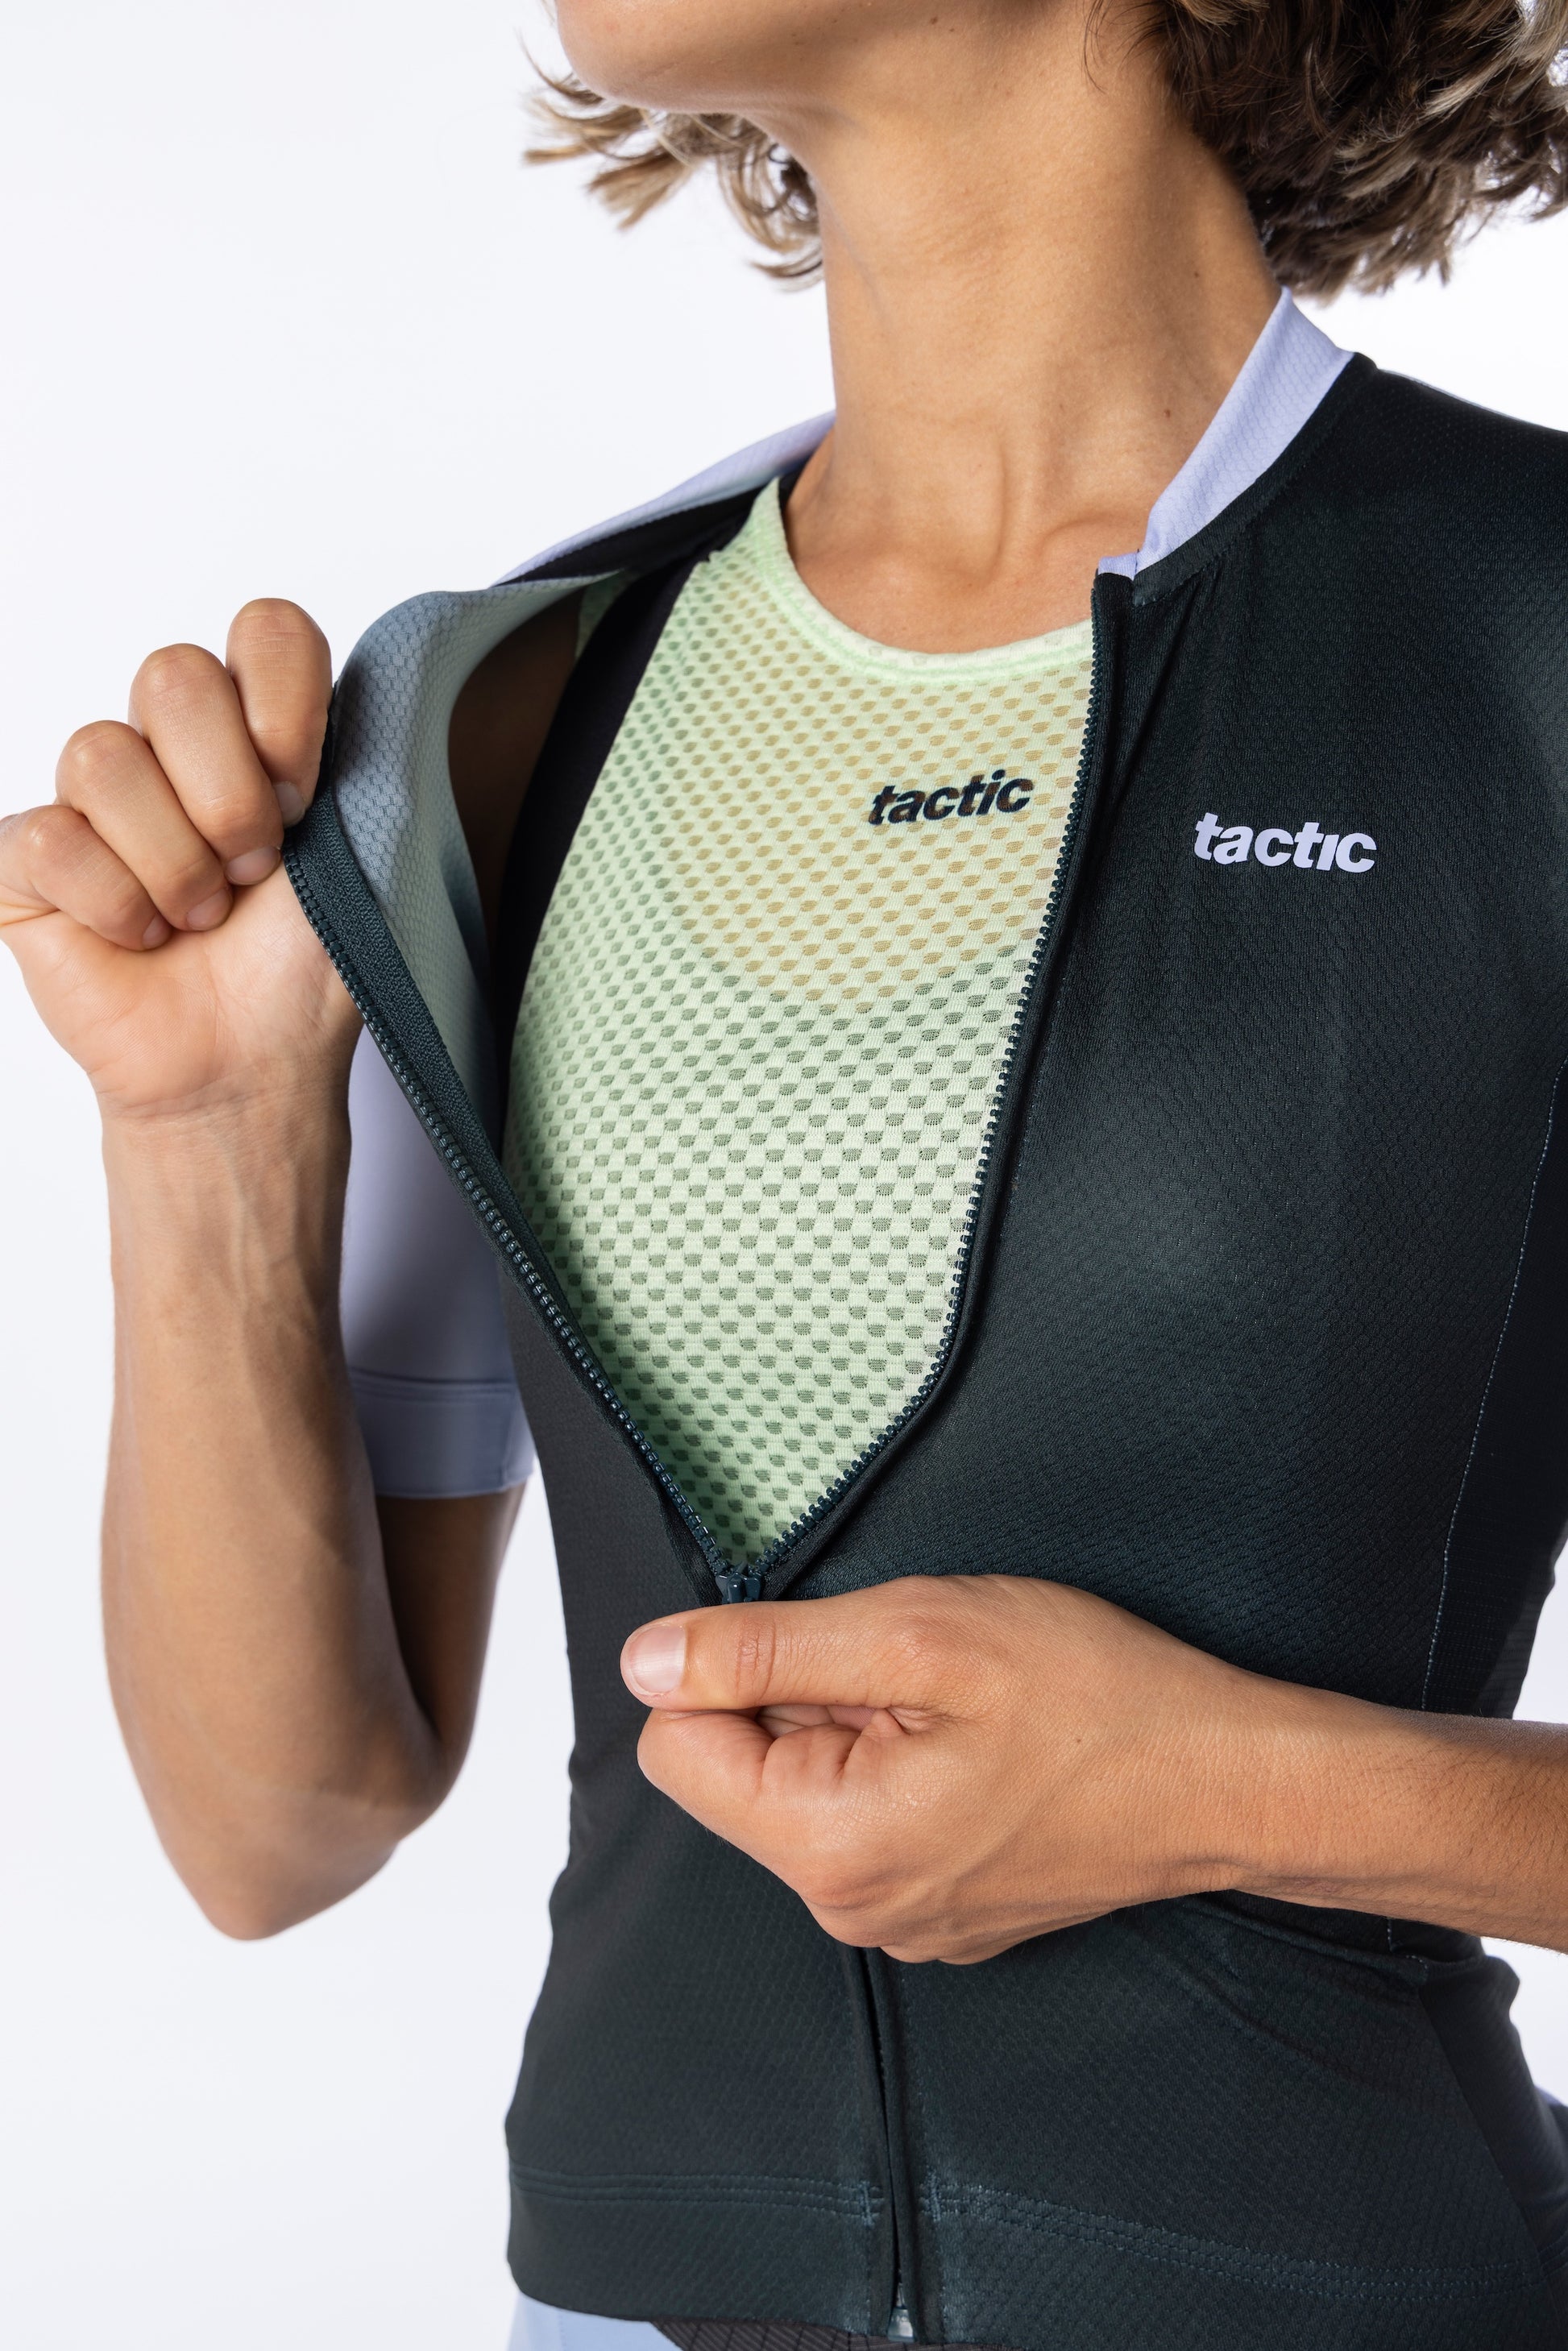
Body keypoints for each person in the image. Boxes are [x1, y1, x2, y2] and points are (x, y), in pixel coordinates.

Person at [7, 2, 1568, 2345]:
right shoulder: (499, 708)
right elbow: (281, 1827)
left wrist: (1231, 1790)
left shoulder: (1525, 631)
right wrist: (202, 1125)